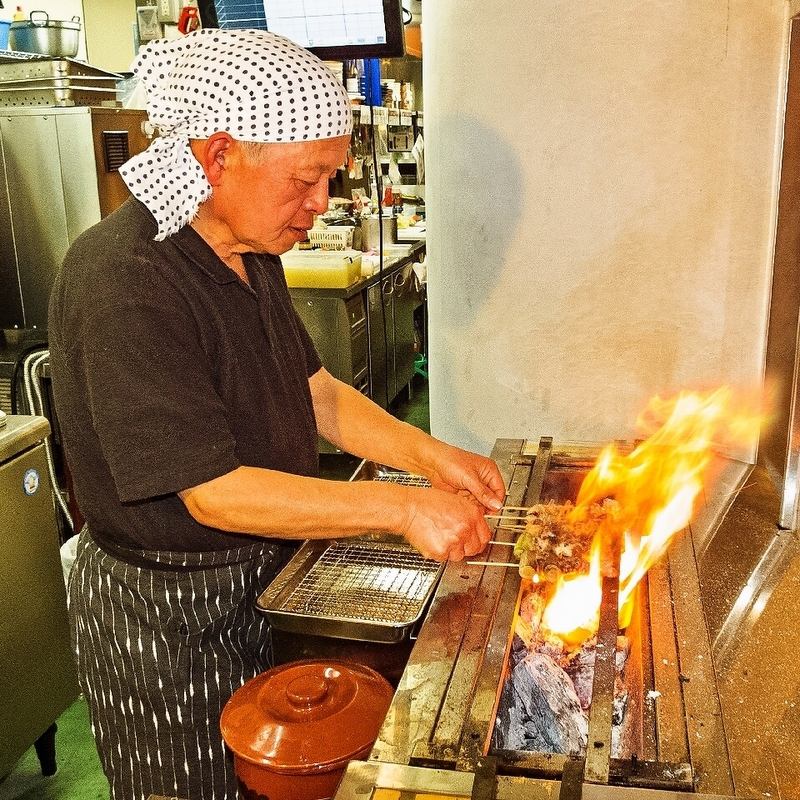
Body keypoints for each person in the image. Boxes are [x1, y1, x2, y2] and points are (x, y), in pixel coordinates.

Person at [48, 28, 505, 800]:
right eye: (306, 179)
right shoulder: (125, 281)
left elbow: (316, 391)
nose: (321, 204)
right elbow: (214, 491)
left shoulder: (251, 253)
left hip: (264, 576)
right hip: (170, 618)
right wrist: (400, 507)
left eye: (331, 178)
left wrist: (432, 457)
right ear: (218, 156)